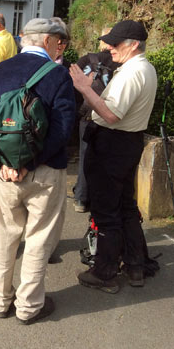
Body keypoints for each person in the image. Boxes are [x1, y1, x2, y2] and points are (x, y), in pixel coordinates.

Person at [0, 18, 76, 324]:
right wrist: (29, 163)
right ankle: (29, 306)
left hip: (4, 173)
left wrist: (5, 163)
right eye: (58, 42)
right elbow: (63, 129)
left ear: (24, 40)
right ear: (47, 41)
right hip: (44, 172)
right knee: (38, 238)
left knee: (5, 233)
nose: (59, 46)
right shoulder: (58, 75)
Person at [70, 20, 157, 293]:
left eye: (115, 43)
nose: (109, 47)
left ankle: (105, 272)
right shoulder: (144, 68)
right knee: (125, 206)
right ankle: (135, 265)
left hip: (112, 144)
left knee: (106, 209)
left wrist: (85, 88)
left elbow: (111, 114)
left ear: (133, 45)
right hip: (127, 142)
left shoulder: (132, 73)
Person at [73, 29, 118, 213]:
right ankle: (102, 200)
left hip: (86, 115)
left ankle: (81, 199)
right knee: (108, 159)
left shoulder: (85, 60)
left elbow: (73, 86)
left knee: (85, 156)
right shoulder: (118, 64)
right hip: (108, 115)